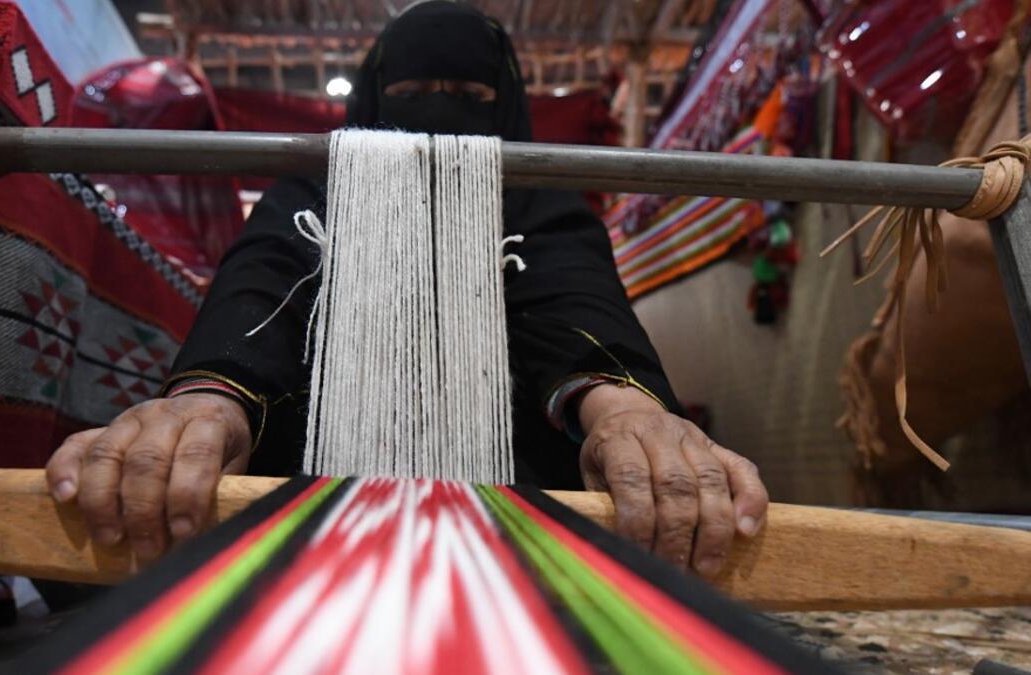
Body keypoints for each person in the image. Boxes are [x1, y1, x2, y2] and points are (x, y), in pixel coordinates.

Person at [45, 1, 768, 579]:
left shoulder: (535, 197)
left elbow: (565, 286)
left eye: (469, 96)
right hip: (317, 505)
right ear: (374, 100)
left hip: (514, 509)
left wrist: (624, 411)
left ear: (504, 104)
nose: (440, 114)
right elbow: (267, 276)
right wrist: (209, 403)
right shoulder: (316, 189)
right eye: (415, 94)